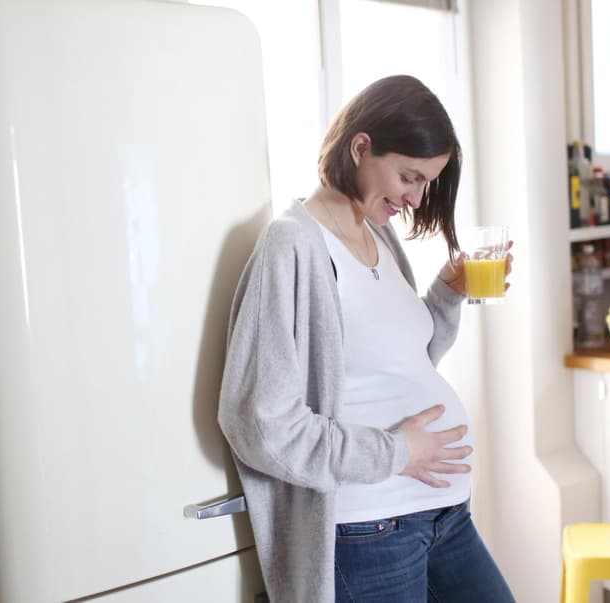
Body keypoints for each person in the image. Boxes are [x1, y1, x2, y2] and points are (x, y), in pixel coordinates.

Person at [219, 74, 515, 602]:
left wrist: (447, 294)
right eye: (410, 176)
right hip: (369, 529)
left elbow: (402, 366)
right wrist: (396, 452)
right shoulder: (293, 246)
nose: (417, 197)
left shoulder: (378, 233)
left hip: (444, 518)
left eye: (427, 182)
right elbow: (259, 422)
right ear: (361, 148)